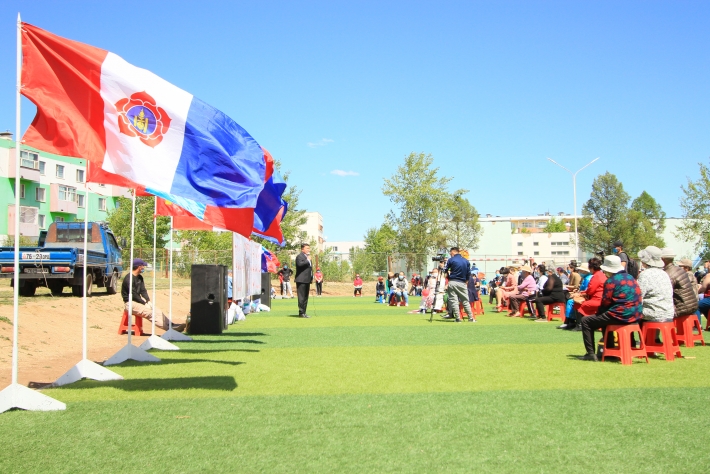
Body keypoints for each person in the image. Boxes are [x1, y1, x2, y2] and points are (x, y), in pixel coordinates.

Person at [578, 255, 643, 361]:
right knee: (604, 319)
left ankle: (590, 353)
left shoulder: (611, 281)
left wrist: (598, 314)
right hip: (636, 315)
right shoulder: (630, 277)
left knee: (586, 321)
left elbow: (605, 302)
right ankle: (610, 350)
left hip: (621, 315)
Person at [121, 258, 185, 332]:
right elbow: (133, 294)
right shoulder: (128, 278)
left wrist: (147, 300)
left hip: (138, 302)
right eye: (143, 266)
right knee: (150, 313)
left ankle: (172, 325)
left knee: (158, 311)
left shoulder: (140, 277)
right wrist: (143, 303)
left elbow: (143, 290)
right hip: (130, 303)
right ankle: (169, 329)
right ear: (139, 267)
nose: (143, 268)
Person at [637, 246, 674, 328]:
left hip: (652, 314)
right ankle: (654, 339)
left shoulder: (645, 274)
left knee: (630, 313)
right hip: (668, 313)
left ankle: (640, 339)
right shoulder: (664, 274)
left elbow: (638, 297)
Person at [660, 248, 699, 322]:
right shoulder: (679, 270)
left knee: (653, 315)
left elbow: (664, 292)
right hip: (692, 305)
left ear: (663, 259)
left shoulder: (669, 273)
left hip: (681, 308)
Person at [568, 258, 606, 331]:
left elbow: (590, 291)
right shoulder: (601, 275)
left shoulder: (596, 276)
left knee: (577, 304)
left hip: (597, 300)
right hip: (600, 299)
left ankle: (580, 325)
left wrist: (579, 294)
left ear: (591, 267)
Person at [444, 247, 475, 322]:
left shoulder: (451, 260)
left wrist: (448, 276)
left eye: (451, 253)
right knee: (465, 300)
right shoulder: (466, 261)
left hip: (452, 281)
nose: (450, 254)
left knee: (453, 300)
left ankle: (457, 318)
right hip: (462, 282)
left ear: (453, 252)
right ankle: (471, 317)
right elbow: (468, 273)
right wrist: (466, 281)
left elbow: (445, 270)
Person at [294, 243, 313, 318]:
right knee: (301, 297)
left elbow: (310, 268)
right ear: (302, 249)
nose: (309, 249)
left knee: (305, 297)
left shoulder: (308, 257)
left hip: (307, 279)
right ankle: (301, 312)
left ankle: (304, 312)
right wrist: (307, 260)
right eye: (307, 248)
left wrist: (311, 276)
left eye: (309, 248)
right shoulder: (299, 256)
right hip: (301, 280)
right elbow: (300, 265)